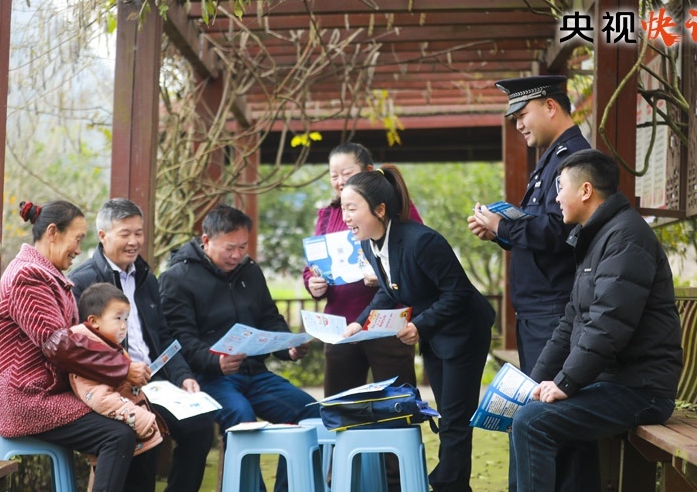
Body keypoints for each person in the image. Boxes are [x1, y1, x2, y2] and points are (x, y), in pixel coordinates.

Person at [510, 148, 683, 491]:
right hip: (614, 381)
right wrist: (533, 383)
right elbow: (570, 322)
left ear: (586, 191)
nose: (556, 198)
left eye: (561, 188)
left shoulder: (626, 238)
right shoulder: (598, 237)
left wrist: (565, 382)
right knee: (527, 410)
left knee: (532, 422)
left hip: (641, 389)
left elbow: (608, 324)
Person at [467, 75, 596, 491]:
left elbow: (560, 230)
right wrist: (500, 231)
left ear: (551, 106)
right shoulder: (552, 158)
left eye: (523, 114)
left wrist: (504, 225)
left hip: (555, 310)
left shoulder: (573, 158)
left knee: (556, 419)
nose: (519, 124)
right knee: (542, 415)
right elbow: (541, 228)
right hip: (539, 312)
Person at [341, 165, 495, 492]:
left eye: (352, 208)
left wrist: (419, 326)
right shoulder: (370, 243)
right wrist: (360, 321)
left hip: (464, 331)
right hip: (435, 333)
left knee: (455, 418)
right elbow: (388, 290)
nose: (345, 217)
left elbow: (458, 293)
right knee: (448, 415)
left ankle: (448, 485)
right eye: (343, 208)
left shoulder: (421, 241)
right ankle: (451, 483)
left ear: (379, 209)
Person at [158, 204, 319, 492]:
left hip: (255, 373)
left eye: (242, 247)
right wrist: (215, 362)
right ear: (206, 241)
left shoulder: (250, 271)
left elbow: (269, 317)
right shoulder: (177, 278)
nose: (237, 255)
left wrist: (288, 347)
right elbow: (179, 338)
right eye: (230, 248)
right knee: (243, 419)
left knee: (313, 413)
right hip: (208, 378)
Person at [0, 200, 147, 492]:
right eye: (77, 239)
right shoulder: (27, 276)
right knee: (118, 435)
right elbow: (59, 346)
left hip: (51, 393)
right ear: (53, 232)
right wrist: (121, 369)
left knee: (139, 420)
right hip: (29, 399)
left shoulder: (48, 275)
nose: (79, 249)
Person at [69, 198, 214, 492]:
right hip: (116, 387)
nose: (134, 241)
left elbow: (162, 334)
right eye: (125, 234)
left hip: (155, 381)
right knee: (145, 432)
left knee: (200, 427)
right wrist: (124, 370)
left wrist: (183, 375)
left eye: (138, 233)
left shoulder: (146, 277)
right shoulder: (83, 281)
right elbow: (81, 347)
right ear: (103, 235)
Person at [304, 142, 422, 491]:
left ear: (369, 172)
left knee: (395, 407)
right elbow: (312, 265)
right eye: (333, 176)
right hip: (340, 326)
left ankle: (397, 481)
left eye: (347, 173)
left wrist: (385, 272)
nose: (339, 181)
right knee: (341, 409)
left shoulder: (394, 207)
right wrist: (313, 283)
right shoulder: (327, 214)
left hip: (387, 323)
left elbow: (413, 255)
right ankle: (342, 481)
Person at [71, 283, 164, 456]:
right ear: (94, 321)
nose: (124, 326)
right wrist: (141, 418)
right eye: (118, 318)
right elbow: (100, 398)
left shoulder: (113, 349)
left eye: (126, 319)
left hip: (138, 436)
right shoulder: (88, 356)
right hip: (124, 437)